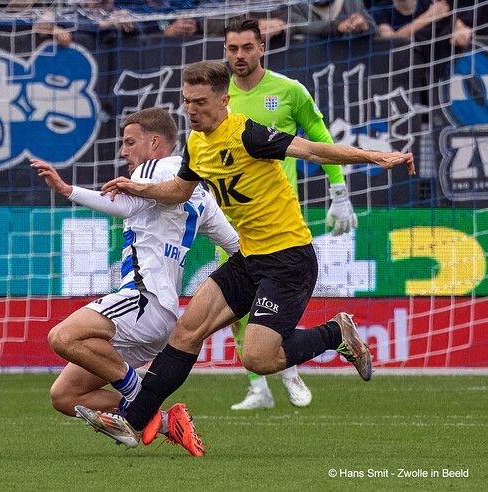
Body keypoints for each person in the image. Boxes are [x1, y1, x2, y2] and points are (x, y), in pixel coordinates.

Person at [75, 60, 415, 452]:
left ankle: (336, 332)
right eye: (186, 101)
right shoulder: (197, 144)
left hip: (288, 260)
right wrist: (141, 189)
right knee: (187, 331)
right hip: (249, 257)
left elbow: (313, 151)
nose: (191, 110)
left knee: (257, 358)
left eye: (200, 102)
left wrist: (375, 157)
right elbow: (181, 190)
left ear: (224, 100)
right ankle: (132, 422)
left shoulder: (248, 135)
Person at [32, 107, 239, 456]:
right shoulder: (199, 192)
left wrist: (69, 191)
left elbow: (124, 206)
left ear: (155, 142)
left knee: (62, 336)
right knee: (65, 396)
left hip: (143, 300)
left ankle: (139, 395)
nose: (124, 151)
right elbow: (237, 247)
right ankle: (163, 419)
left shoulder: (156, 169)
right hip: (159, 318)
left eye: (130, 142)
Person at [223, 18, 358, 410]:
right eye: (232, 49)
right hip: (232, 218)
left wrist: (338, 190)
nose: (239, 56)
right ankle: (258, 387)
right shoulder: (218, 97)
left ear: (262, 47)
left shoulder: (288, 91)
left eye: (247, 47)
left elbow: (319, 137)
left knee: (272, 298)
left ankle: (286, 364)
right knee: (234, 307)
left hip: (278, 219)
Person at [289, 0, 376, 38]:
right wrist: (338, 27)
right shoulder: (292, 5)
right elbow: (302, 27)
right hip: (304, 65)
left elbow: (373, 29)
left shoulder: (352, 2)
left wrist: (365, 26)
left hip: (345, 69)